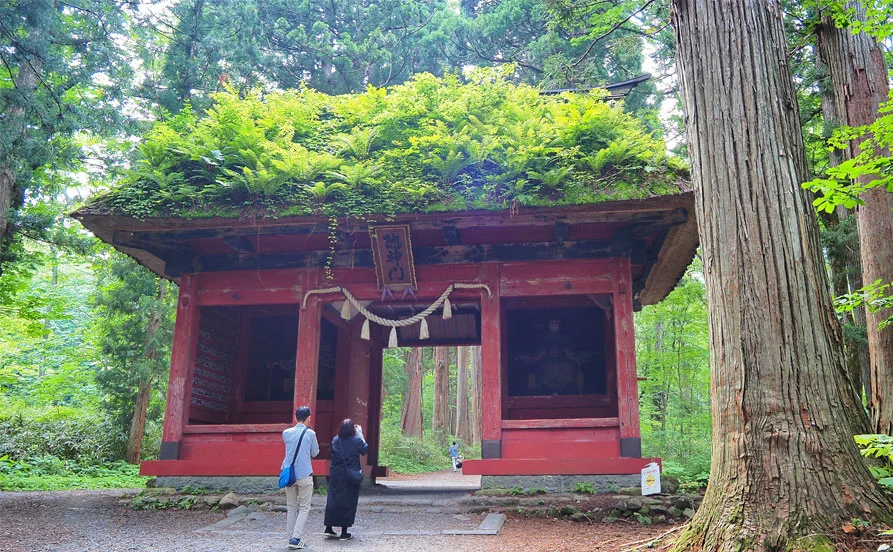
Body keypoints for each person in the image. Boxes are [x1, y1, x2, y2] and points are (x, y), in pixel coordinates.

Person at [281, 406, 320, 550]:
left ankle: (290, 537)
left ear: (296, 417)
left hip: (289, 474)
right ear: (308, 417)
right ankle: (296, 538)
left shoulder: (286, 433)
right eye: (310, 417)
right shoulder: (311, 433)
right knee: (304, 507)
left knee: (291, 507)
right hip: (304, 474)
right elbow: (315, 453)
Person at [324, 419, 368, 540]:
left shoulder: (335, 440)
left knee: (333, 500)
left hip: (336, 475)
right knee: (348, 502)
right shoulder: (357, 440)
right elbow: (364, 450)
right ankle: (344, 532)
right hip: (350, 475)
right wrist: (360, 433)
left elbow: (332, 452)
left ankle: (328, 527)